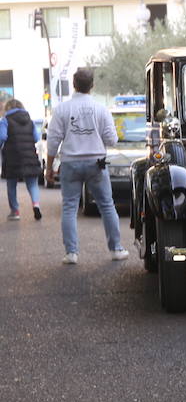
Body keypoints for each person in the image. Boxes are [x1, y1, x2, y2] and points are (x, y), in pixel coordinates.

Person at [46, 69, 127, 264]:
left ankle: (71, 253)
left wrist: (49, 168)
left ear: (74, 84)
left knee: (69, 207)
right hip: (96, 163)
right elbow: (112, 139)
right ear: (92, 86)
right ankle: (116, 249)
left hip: (70, 163)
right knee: (107, 205)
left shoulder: (62, 109)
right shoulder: (101, 109)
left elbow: (53, 140)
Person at [0, 98, 43, 221]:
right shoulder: (29, 121)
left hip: (12, 156)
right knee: (32, 184)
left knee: (11, 185)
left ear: (7, 108)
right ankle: (36, 205)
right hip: (29, 155)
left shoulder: (5, 121)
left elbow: (2, 137)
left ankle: (15, 211)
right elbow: (36, 137)